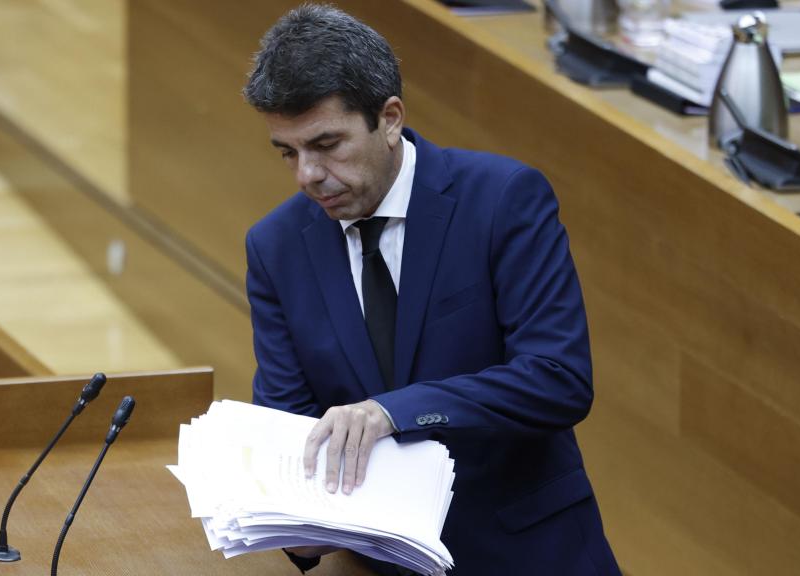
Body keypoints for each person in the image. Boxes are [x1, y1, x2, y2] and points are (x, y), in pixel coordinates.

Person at [242, 4, 619, 575]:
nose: (307, 175)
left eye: (327, 144)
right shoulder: (276, 247)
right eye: (288, 152)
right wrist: (296, 522)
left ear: (389, 118)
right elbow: (289, 422)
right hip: (381, 565)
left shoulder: (502, 200)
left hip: (524, 553)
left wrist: (393, 413)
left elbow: (557, 379)